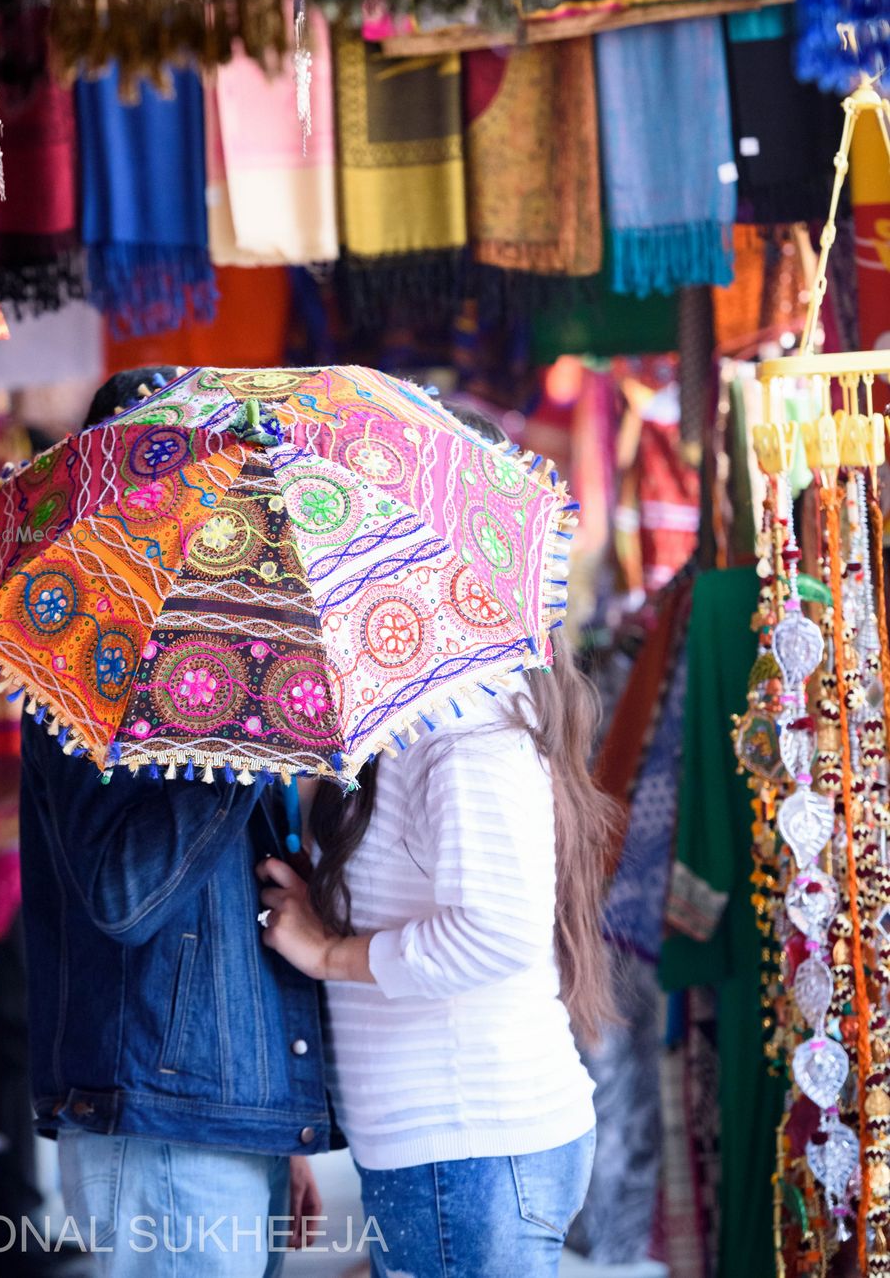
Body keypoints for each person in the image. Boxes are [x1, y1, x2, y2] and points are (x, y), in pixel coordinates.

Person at [255, 414, 615, 1278]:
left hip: (469, 1151)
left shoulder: (467, 720)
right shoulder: (425, 712)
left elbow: (495, 932)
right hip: (452, 1154)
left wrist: (329, 952)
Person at [19, 367, 326, 1277]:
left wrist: (284, 1119)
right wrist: (239, 733)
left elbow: (248, 904)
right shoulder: (79, 652)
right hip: (154, 1112)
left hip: (226, 1117)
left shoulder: (215, 657)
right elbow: (122, 897)